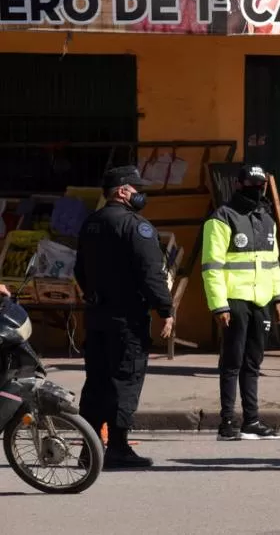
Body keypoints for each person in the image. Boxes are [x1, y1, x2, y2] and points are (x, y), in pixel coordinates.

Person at [75, 166, 174, 469]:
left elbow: (80, 270)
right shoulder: (137, 227)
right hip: (127, 320)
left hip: (97, 316)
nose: (140, 193)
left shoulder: (91, 223)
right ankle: (117, 446)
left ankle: (89, 449)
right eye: (136, 188)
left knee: (97, 382)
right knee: (124, 380)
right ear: (122, 191)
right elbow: (151, 274)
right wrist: (166, 310)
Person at [202, 165, 280, 441]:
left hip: (261, 299)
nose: (256, 187)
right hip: (234, 300)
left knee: (253, 362)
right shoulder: (221, 219)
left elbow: (273, 264)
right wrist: (219, 305)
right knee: (232, 361)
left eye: (260, 183)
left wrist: (279, 297)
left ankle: (251, 420)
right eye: (251, 183)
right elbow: (211, 267)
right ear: (238, 184)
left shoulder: (267, 220)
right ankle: (227, 422)